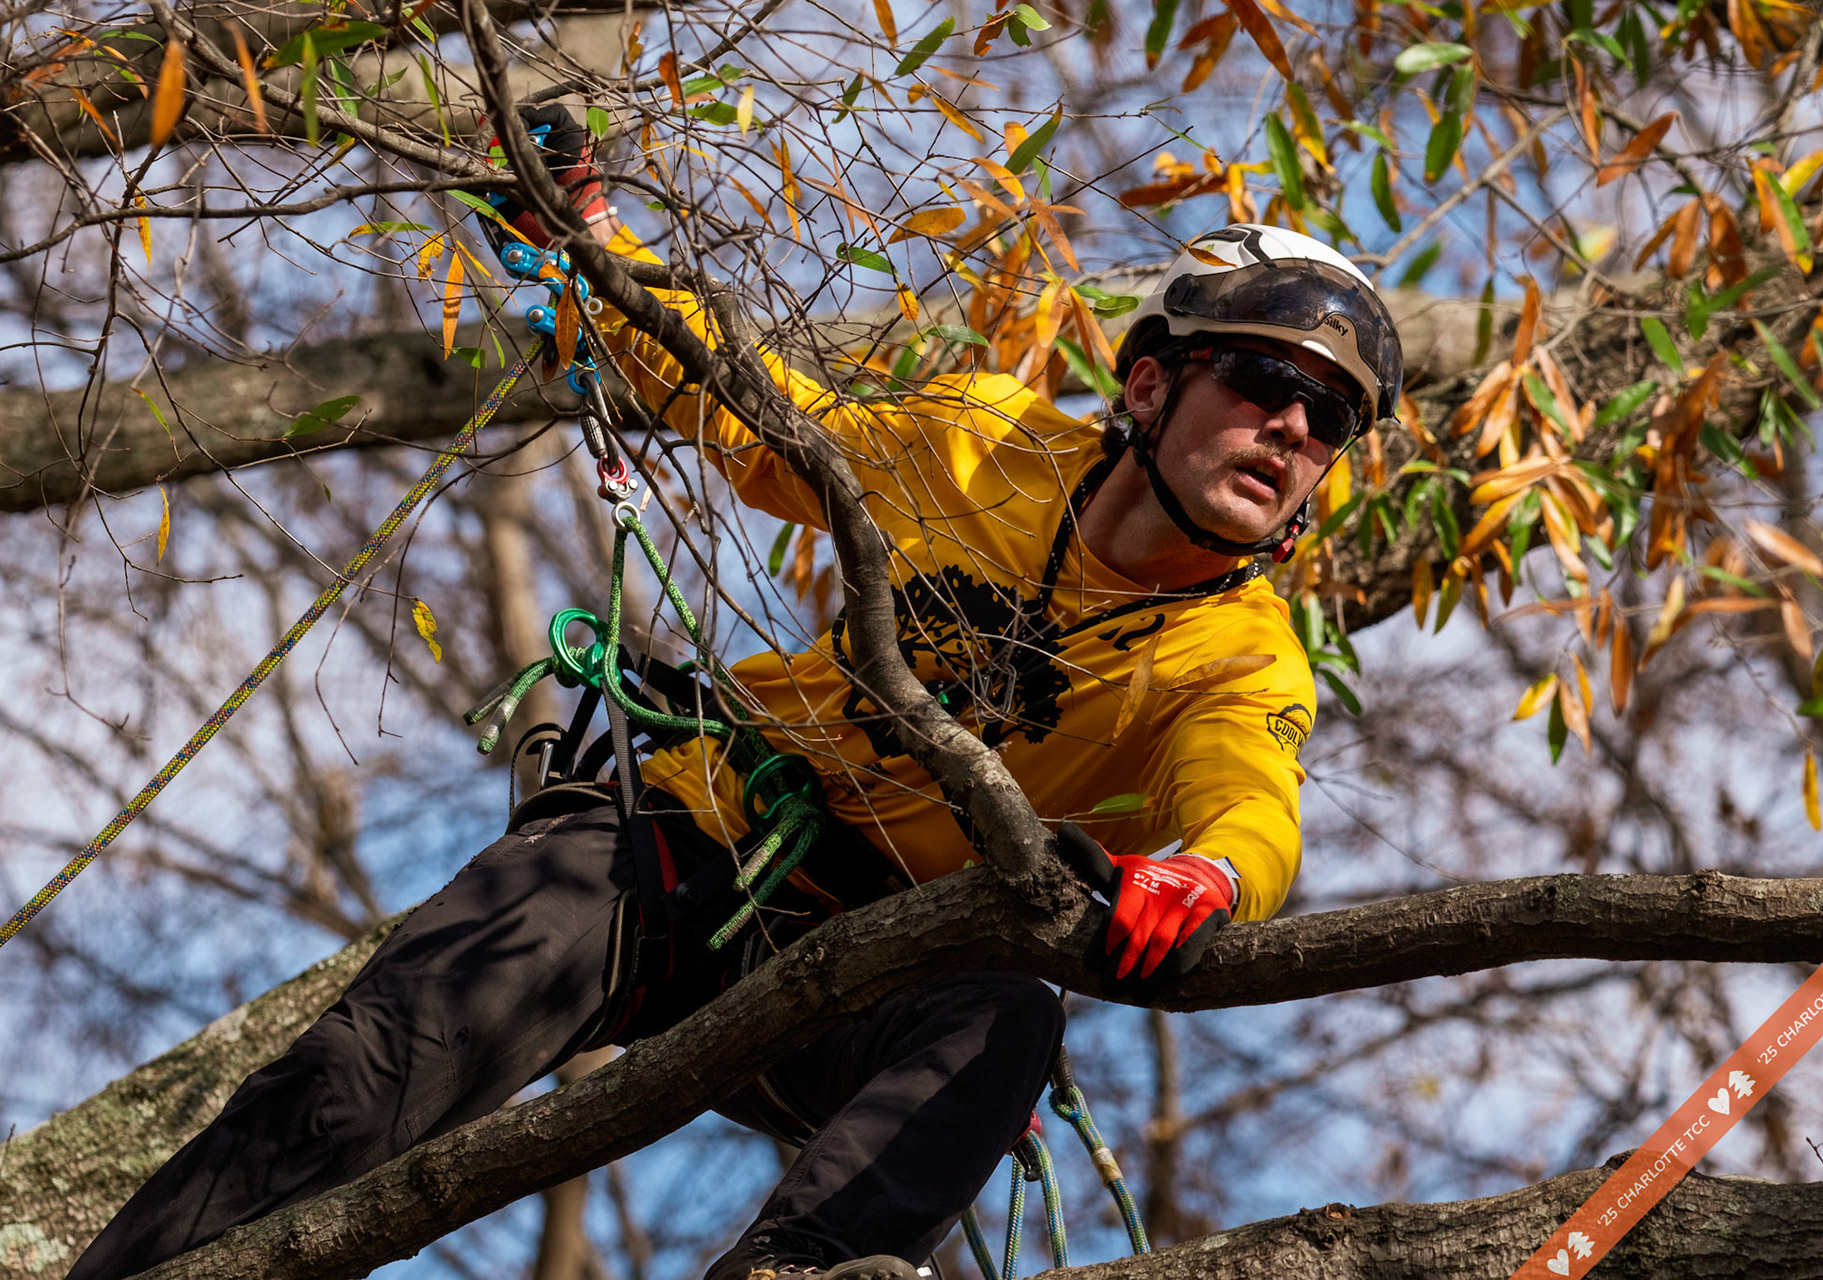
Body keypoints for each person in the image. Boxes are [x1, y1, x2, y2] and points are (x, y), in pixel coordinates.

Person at [67, 109, 1403, 1280]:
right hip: (689, 841)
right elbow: (745, 407)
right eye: (1269, 383)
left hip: (869, 961)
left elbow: (1249, 798)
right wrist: (591, 251)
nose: (1293, 431)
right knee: (353, 1087)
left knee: (1005, 1022)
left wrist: (1211, 880)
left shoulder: (1239, 656)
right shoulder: (979, 443)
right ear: (1154, 382)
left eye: (1329, 421)